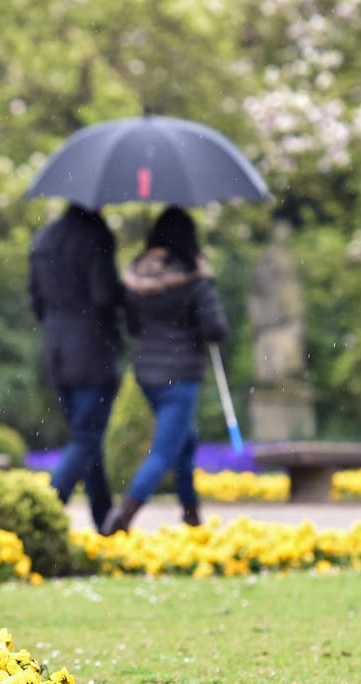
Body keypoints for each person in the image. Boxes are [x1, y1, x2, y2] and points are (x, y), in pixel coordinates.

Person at [100, 206, 228, 535]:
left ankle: (191, 514)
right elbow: (215, 328)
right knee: (163, 452)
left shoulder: (136, 276)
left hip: (147, 372)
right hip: (181, 373)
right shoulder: (194, 276)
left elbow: (131, 325)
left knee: (185, 440)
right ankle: (122, 517)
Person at [28, 203, 123, 531]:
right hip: (92, 351)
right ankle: (47, 511)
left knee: (87, 438)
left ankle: (105, 520)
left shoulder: (43, 239)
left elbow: (36, 300)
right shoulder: (95, 236)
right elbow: (103, 294)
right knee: (86, 437)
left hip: (56, 351)